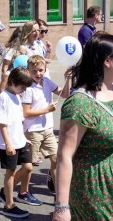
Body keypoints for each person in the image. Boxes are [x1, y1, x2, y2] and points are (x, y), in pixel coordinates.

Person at [55, 32, 113, 221]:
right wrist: (62, 208)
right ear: (107, 61)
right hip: (93, 190)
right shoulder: (81, 103)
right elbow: (64, 155)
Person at [0, 67, 40, 219]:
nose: (23, 90)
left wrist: (23, 137)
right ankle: (9, 205)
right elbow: (2, 123)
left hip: (19, 140)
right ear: (13, 82)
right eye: (22, 87)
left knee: (28, 167)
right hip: (9, 142)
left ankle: (3, 191)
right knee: (11, 172)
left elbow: (17, 121)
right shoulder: (4, 97)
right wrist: (8, 143)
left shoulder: (16, 96)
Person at [21, 55, 70, 194]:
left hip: (47, 129)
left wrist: (68, 78)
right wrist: (46, 110)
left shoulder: (47, 81)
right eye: (34, 71)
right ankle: (23, 192)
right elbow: (26, 113)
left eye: (41, 70)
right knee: (29, 165)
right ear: (28, 70)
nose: (38, 73)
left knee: (56, 159)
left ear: (45, 69)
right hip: (33, 130)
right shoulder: (28, 88)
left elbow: (65, 93)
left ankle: (58, 193)